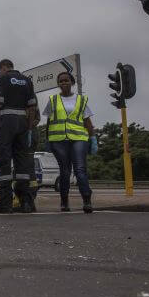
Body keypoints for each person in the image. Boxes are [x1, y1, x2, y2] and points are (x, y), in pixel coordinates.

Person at [42, 71, 96, 213]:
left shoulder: (81, 100)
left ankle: (87, 200)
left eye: (66, 80)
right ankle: (64, 202)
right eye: (61, 81)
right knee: (65, 172)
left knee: (80, 170)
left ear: (72, 83)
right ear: (58, 84)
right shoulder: (53, 100)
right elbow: (49, 120)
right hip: (59, 141)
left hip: (79, 139)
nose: (63, 83)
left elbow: (87, 121)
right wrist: (47, 139)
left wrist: (93, 138)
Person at [0, 59, 37, 214]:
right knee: (22, 164)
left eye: (0, 70)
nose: (0, 72)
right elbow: (32, 106)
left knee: (4, 160)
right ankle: (26, 203)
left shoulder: (2, 79)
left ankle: (6, 203)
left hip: (7, 122)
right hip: (23, 123)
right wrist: (29, 129)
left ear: (3, 67)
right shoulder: (26, 80)